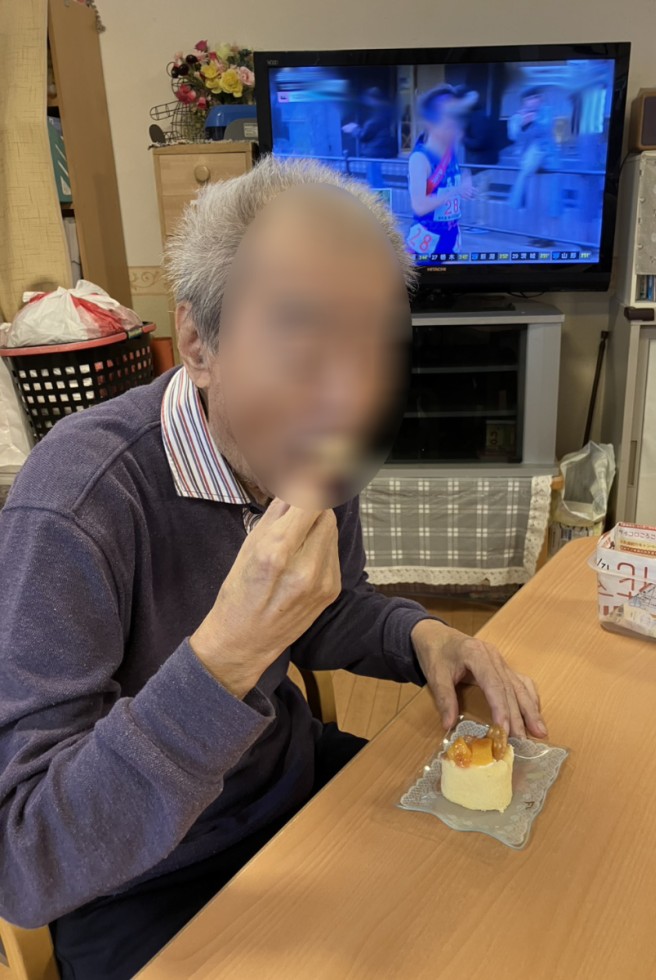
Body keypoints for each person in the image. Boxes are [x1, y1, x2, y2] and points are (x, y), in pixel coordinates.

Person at [0, 157, 546, 979]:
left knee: (502, 902)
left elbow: (326, 610)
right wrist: (225, 656)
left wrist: (422, 636)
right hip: (139, 880)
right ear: (198, 343)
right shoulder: (77, 506)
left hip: (287, 785)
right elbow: (27, 857)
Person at [407, 84, 478, 257]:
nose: (455, 126)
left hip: (452, 236)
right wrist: (455, 190)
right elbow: (420, 206)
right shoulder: (420, 159)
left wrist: (466, 182)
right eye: (448, 120)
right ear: (431, 123)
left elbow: (462, 172)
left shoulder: (451, 150)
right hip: (425, 241)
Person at [507, 86, 556, 210]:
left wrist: (535, 120)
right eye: (531, 99)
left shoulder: (546, 112)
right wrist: (523, 125)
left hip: (546, 156)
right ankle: (517, 201)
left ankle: (517, 201)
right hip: (525, 157)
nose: (535, 101)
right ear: (524, 102)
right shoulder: (517, 117)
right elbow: (514, 136)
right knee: (528, 164)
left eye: (537, 98)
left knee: (538, 152)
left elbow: (546, 131)